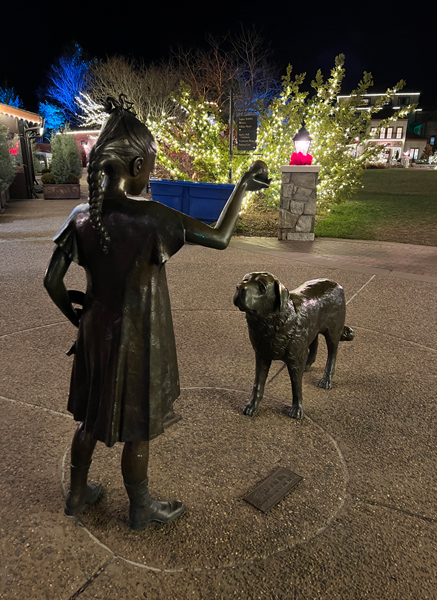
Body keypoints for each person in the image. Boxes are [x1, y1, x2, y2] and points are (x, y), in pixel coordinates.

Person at [44, 95, 270, 531]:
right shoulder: (154, 218)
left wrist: (78, 318)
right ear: (134, 167)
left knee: (90, 415)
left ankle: (76, 495)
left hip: (94, 331)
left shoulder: (81, 215)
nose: (153, 170)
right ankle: (140, 506)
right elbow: (221, 237)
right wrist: (241, 186)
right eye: (150, 162)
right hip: (140, 336)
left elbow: (52, 282)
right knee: (138, 424)